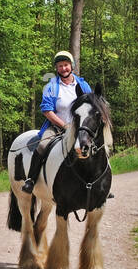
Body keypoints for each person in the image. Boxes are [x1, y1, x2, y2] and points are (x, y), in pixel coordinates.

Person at [21, 50, 91, 193]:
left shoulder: (83, 85)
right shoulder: (51, 86)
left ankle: (102, 184)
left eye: (66, 65)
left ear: (72, 65)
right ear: (56, 68)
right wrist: (65, 126)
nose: (63, 68)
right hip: (57, 127)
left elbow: (91, 106)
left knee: (97, 145)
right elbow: (47, 110)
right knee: (42, 145)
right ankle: (31, 180)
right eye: (59, 66)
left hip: (81, 127)